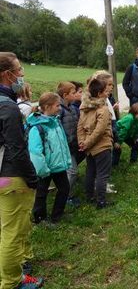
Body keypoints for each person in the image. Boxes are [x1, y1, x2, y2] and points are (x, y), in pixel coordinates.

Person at [0, 52, 44, 289]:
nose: (21, 74)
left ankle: (10, 274)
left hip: (1, 178)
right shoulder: (8, 108)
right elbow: (17, 151)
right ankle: (11, 282)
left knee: (6, 228)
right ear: (7, 75)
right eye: (18, 70)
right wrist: (32, 178)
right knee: (13, 233)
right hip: (12, 178)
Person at [27, 92, 71, 224]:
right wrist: (42, 170)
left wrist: (66, 159)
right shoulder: (37, 127)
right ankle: (40, 219)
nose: (60, 108)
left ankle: (57, 216)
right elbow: (35, 151)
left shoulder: (55, 121)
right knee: (41, 193)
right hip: (45, 168)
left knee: (64, 189)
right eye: (57, 105)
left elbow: (62, 143)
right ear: (47, 106)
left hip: (57, 165)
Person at [77, 77, 113, 209]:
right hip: (102, 147)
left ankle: (89, 196)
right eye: (105, 91)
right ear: (99, 94)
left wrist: (83, 142)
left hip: (89, 148)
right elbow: (100, 130)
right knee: (102, 175)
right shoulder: (102, 109)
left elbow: (80, 127)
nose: (107, 92)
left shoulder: (84, 108)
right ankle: (101, 201)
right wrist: (87, 143)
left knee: (90, 172)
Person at [56, 82, 82, 206]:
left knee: (70, 171)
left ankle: (66, 194)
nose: (75, 94)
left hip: (73, 145)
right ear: (65, 95)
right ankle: (66, 196)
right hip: (64, 146)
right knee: (72, 171)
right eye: (73, 93)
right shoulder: (59, 109)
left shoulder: (72, 108)